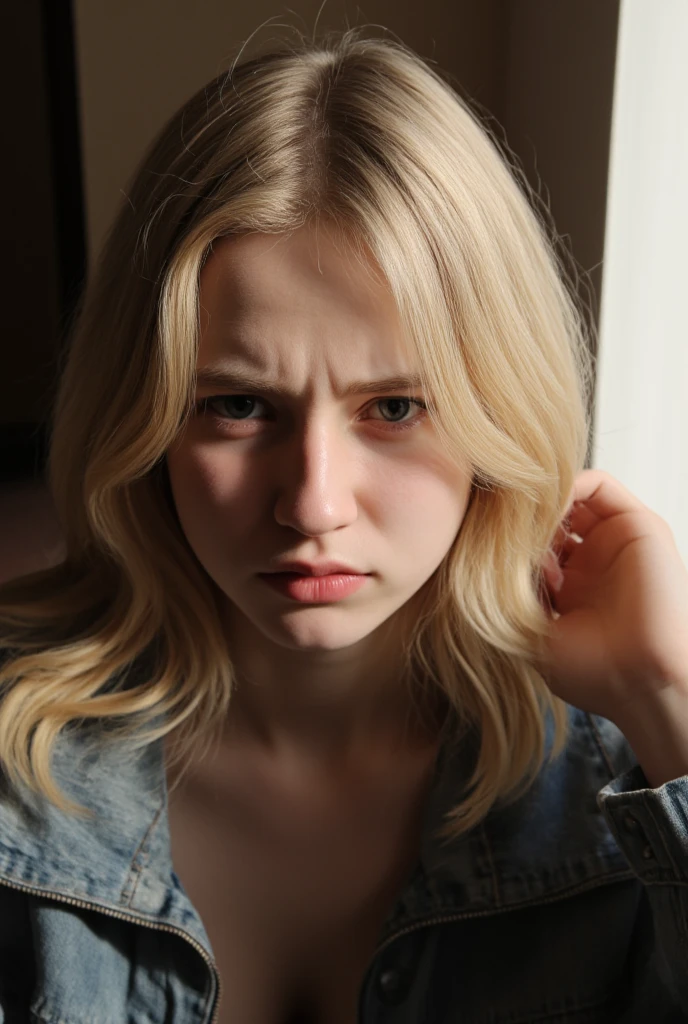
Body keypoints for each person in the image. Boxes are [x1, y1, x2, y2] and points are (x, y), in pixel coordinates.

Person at [1, 23, 687, 1024]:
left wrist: (668, 704)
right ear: (141, 418)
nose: (314, 504)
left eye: (396, 408)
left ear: (499, 414)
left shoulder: (622, 770)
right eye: (238, 405)